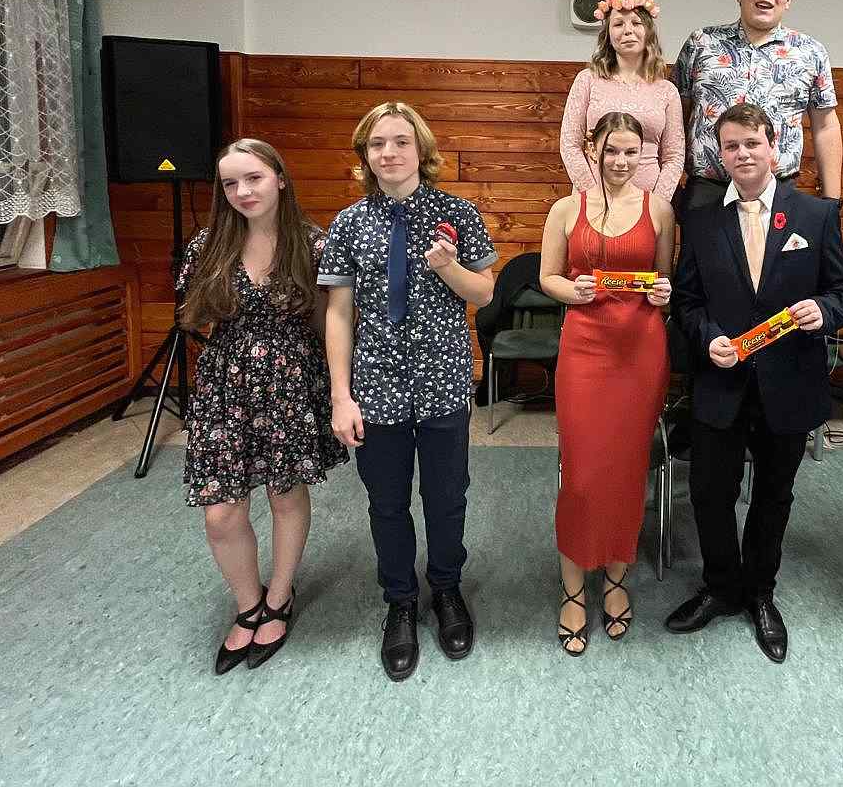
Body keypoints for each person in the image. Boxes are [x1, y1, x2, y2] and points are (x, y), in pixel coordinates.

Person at [666, 103, 843, 663]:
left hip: (789, 382)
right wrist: (707, 338)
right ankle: (720, 587)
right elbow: (688, 300)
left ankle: (760, 592)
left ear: (774, 147)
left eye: (752, 143)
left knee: (774, 495)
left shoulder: (816, 214)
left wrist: (824, 311)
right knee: (710, 493)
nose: (742, 154)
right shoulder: (701, 221)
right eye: (731, 146)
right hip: (721, 381)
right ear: (720, 155)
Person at [319, 102, 497, 683]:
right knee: (387, 502)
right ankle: (399, 600)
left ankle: (446, 588)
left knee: (447, 497)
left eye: (400, 141)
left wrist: (447, 267)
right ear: (365, 156)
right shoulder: (349, 223)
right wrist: (341, 396)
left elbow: (484, 294)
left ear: (421, 149)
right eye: (377, 144)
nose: (389, 153)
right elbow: (338, 314)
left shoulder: (457, 213)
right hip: (377, 385)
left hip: (443, 380)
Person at [175, 138, 348, 675]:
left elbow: (328, 322)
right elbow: (193, 314)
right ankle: (247, 605)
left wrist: (337, 391)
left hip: (290, 381)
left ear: (280, 179)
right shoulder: (207, 245)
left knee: (284, 494)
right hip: (225, 384)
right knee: (220, 511)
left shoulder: (315, 245)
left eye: (253, 178)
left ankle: (278, 597)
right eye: (231, 183)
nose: (243, 191)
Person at [540, 111, 675, 655]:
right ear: (592, 148)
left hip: (640, 350)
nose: (620, 161)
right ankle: (573, 586)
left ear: (643, 155)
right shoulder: (564, 208)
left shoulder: (659, 209)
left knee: (626, 470)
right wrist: (569, 291)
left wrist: (664, 293)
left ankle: (617, 578)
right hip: (585, 347)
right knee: (580, 471)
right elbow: (547, 277)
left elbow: (664, 282)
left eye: (631, 152)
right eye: (611, 150)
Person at [671, 0, 842, 214]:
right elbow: (675, 118)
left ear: (788, 0)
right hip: (708, 191)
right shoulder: (701, 43)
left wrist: (832, 201)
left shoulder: (810, 52)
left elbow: (825, 126)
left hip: (778, 189)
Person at [558, 0, 684, 201]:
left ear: (648, 32)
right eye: (618, 24)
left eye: (636, 23)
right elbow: (570, 145)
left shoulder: (667, 91)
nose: (628, 30)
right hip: (593, 200)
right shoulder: (587, 80)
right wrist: (592, 196)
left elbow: (674, 156)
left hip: (647, 201)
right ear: (607, 35)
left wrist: (657, 204)